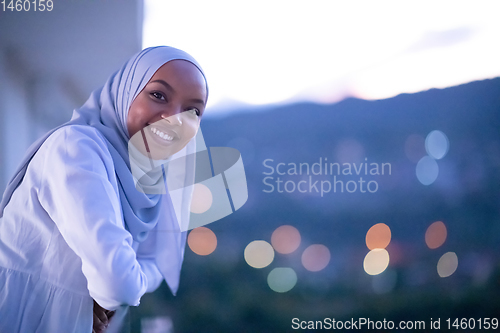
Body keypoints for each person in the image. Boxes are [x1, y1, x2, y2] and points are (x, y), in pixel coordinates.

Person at [0, 46, 208, 332]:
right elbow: (119, 283)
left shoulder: (152, 179)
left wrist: (116, 289)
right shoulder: (76, 148)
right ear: (126, 92)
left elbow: (157, 261)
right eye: (159, 95)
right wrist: (114, 289)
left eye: (192, 111)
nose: (174, 120)